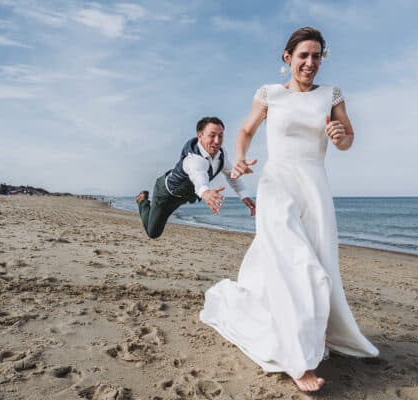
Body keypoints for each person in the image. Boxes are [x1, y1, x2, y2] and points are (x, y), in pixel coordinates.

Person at [199, 27, 379, 392]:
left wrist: (341, 138)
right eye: (303, 56)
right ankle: (299, 362)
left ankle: (307, 331)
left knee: (317, 264)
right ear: (287, 58)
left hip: (314, 188)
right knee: (298, 265)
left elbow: (348, 138)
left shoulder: (331, 95)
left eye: (317, 57)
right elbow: (246, 131)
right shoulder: (270, 94)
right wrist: (238, 162)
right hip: (276, 185)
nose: (310, 63)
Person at [136, 116, 256, 239]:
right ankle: (142, 200)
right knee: (153, 233)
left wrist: (244, 195)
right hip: (165, 195)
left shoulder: (221, 154)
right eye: (212, 135)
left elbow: (231, 174)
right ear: (200, 135)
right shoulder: (194, 159)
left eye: (220, 136)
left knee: (157, 224)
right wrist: (205, 192)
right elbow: (199, 176)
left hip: (182, 197)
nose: (217, 141)